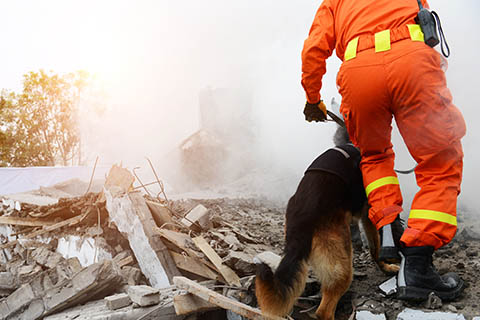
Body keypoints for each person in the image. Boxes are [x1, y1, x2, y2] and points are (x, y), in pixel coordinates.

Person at [301, 0, 466, 301]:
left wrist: (313, 98)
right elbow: (426, 24)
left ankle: (388, 230)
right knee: (440, 162)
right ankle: (417, 265)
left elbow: (314, 48)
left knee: (374, 156)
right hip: (412, 64)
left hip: (359, 73)